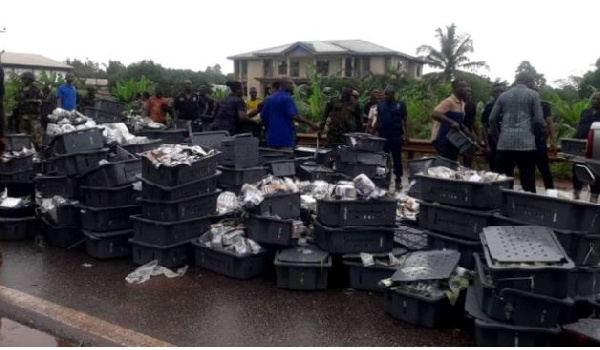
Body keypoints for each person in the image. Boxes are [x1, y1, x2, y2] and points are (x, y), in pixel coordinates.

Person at [489, 73, 546, 193]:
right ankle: (527, 206)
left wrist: (497, 137)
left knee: (503, 179)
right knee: (528, 179)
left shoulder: (503, 96)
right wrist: (538, 134)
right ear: (529, 82)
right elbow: (539, 120)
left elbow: (492, 119)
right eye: (533, 82)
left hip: (504, 143)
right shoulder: (533, 95)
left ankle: (502, 206)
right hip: (526, 143)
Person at [260, 77, 319, 149]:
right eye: (290, 83)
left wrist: (270, 129)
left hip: (272, 139)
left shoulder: (270, 99)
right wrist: (310, 123)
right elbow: (294, 116)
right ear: (284, 84)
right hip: (285, 139)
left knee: (274, 159)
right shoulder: (287, 98)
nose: (293, 85)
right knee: (285, 159)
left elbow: (263, 116)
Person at [373, 86, 408, 190]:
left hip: (396, 137)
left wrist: (407, 135)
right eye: (385, 94)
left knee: (397, 159)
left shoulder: (400, 105)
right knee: (383, 160)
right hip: (383, 137)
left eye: (388, 94)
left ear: (393, 94)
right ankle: (384, 180)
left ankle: (398, 180)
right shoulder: (380, 105)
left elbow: (405, 120)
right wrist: (374, 133)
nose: (386, 96)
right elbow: (378, 120)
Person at [431, 79, 470, 161]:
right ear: (455, 87)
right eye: (463, 86)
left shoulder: (462, 103)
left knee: (452, 163)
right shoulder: (448, 101)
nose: (466, 88)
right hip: (443, 138)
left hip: (454, 139)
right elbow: (435, 114)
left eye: (466, 86)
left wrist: (463, 127)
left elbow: (457, 120)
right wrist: (451, 122)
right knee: (444, 165)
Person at [572, 91, 600, 202]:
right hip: (581, 146)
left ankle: (594, 197)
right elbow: (579, 127)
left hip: (596, 147)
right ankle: (576, 194)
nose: (596, 101)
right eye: (594, 98)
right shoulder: (585, 112)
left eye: (598, 99)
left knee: (596, 172)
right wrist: (572, 140)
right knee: (577, 169)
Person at [481, 83, 506, 171]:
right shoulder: (488, 107)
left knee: (507, 169)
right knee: (494, 168)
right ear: (492, 93)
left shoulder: (509, 106)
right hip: (493, 142)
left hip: (508, 142)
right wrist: (487, 145)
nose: (499, 94)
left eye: (501, 91)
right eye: (496, 92)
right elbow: (484, 127)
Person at [15, 72, 43, 148]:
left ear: (30, 79)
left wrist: (32, 101)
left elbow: (41, 99)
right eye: (22, 79)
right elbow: (18, 99)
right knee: (23, 134)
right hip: (23, 115)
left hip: (33, 115)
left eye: (24, 79)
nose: (23, 80)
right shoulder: (21, 88)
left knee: (36, 135)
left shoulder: (35, 88)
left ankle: (38, 150)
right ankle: (26, 150)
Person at [535, 99, 556, 190]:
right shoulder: (522, 103)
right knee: (527, 169)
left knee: (544, 168)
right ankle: (529, 193)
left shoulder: (544, 104)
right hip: (525, 140)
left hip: (540, 140)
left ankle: (550, 191)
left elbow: (550, 122)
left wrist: (553, 140)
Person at [462, 92, 477, 168]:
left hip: (468, 132)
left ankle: (467, 171)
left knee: (468, 155)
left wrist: (477, 135)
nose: (468, 95)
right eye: (466, 92)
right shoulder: (457, 102)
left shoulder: (472, 105)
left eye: (469, 93)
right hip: (456, 131)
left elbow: (473, 120)